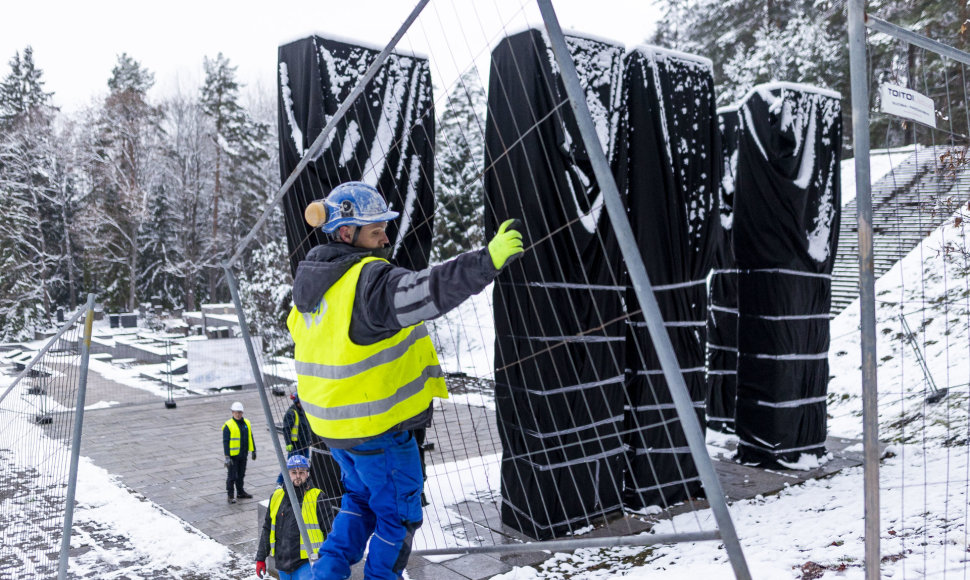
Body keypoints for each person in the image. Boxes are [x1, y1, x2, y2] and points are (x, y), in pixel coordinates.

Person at [289, 181, 523, 580]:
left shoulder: (312, 284)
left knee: (359, 502)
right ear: (347, 233)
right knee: (397, 516)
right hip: (377, 429)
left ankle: (325, 575)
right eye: (375, 230)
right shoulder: (367, 282)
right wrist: (487, 261)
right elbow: (427, 290)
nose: (385, 238)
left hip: (335, 428)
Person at [255, 454, 331, 580]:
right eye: (293, 472)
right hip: (282, 563)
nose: (297, 476)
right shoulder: (276, 496)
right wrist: (260, 558)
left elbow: (329, 530)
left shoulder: (317, 497)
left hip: (307, 562)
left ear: (307, 473)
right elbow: (267, 528)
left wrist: (328, 559)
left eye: (301, 472)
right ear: (287, 473)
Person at [277, 393, 317, 486]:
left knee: (304, 464)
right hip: (295, 446)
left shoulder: (303, 412)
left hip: (305, 444)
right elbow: (286, 429)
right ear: (297, 402)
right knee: (291, 465)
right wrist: (288, 443)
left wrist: (310, 440)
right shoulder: (292, 413)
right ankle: (280, 482)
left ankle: (303, 480)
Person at [222, 401, 256, 504]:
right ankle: (230, 495)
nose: (238, 414)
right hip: (233, 456)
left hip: (243, 454)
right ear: (232, 412)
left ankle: (240, 492)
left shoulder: (247, 423)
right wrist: (227, 456)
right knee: (232, 476)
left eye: (240, 412)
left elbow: (251, 437)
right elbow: (226, 442)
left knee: (241, 475)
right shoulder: (228, 425)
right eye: (236, 412)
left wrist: (254, 450)